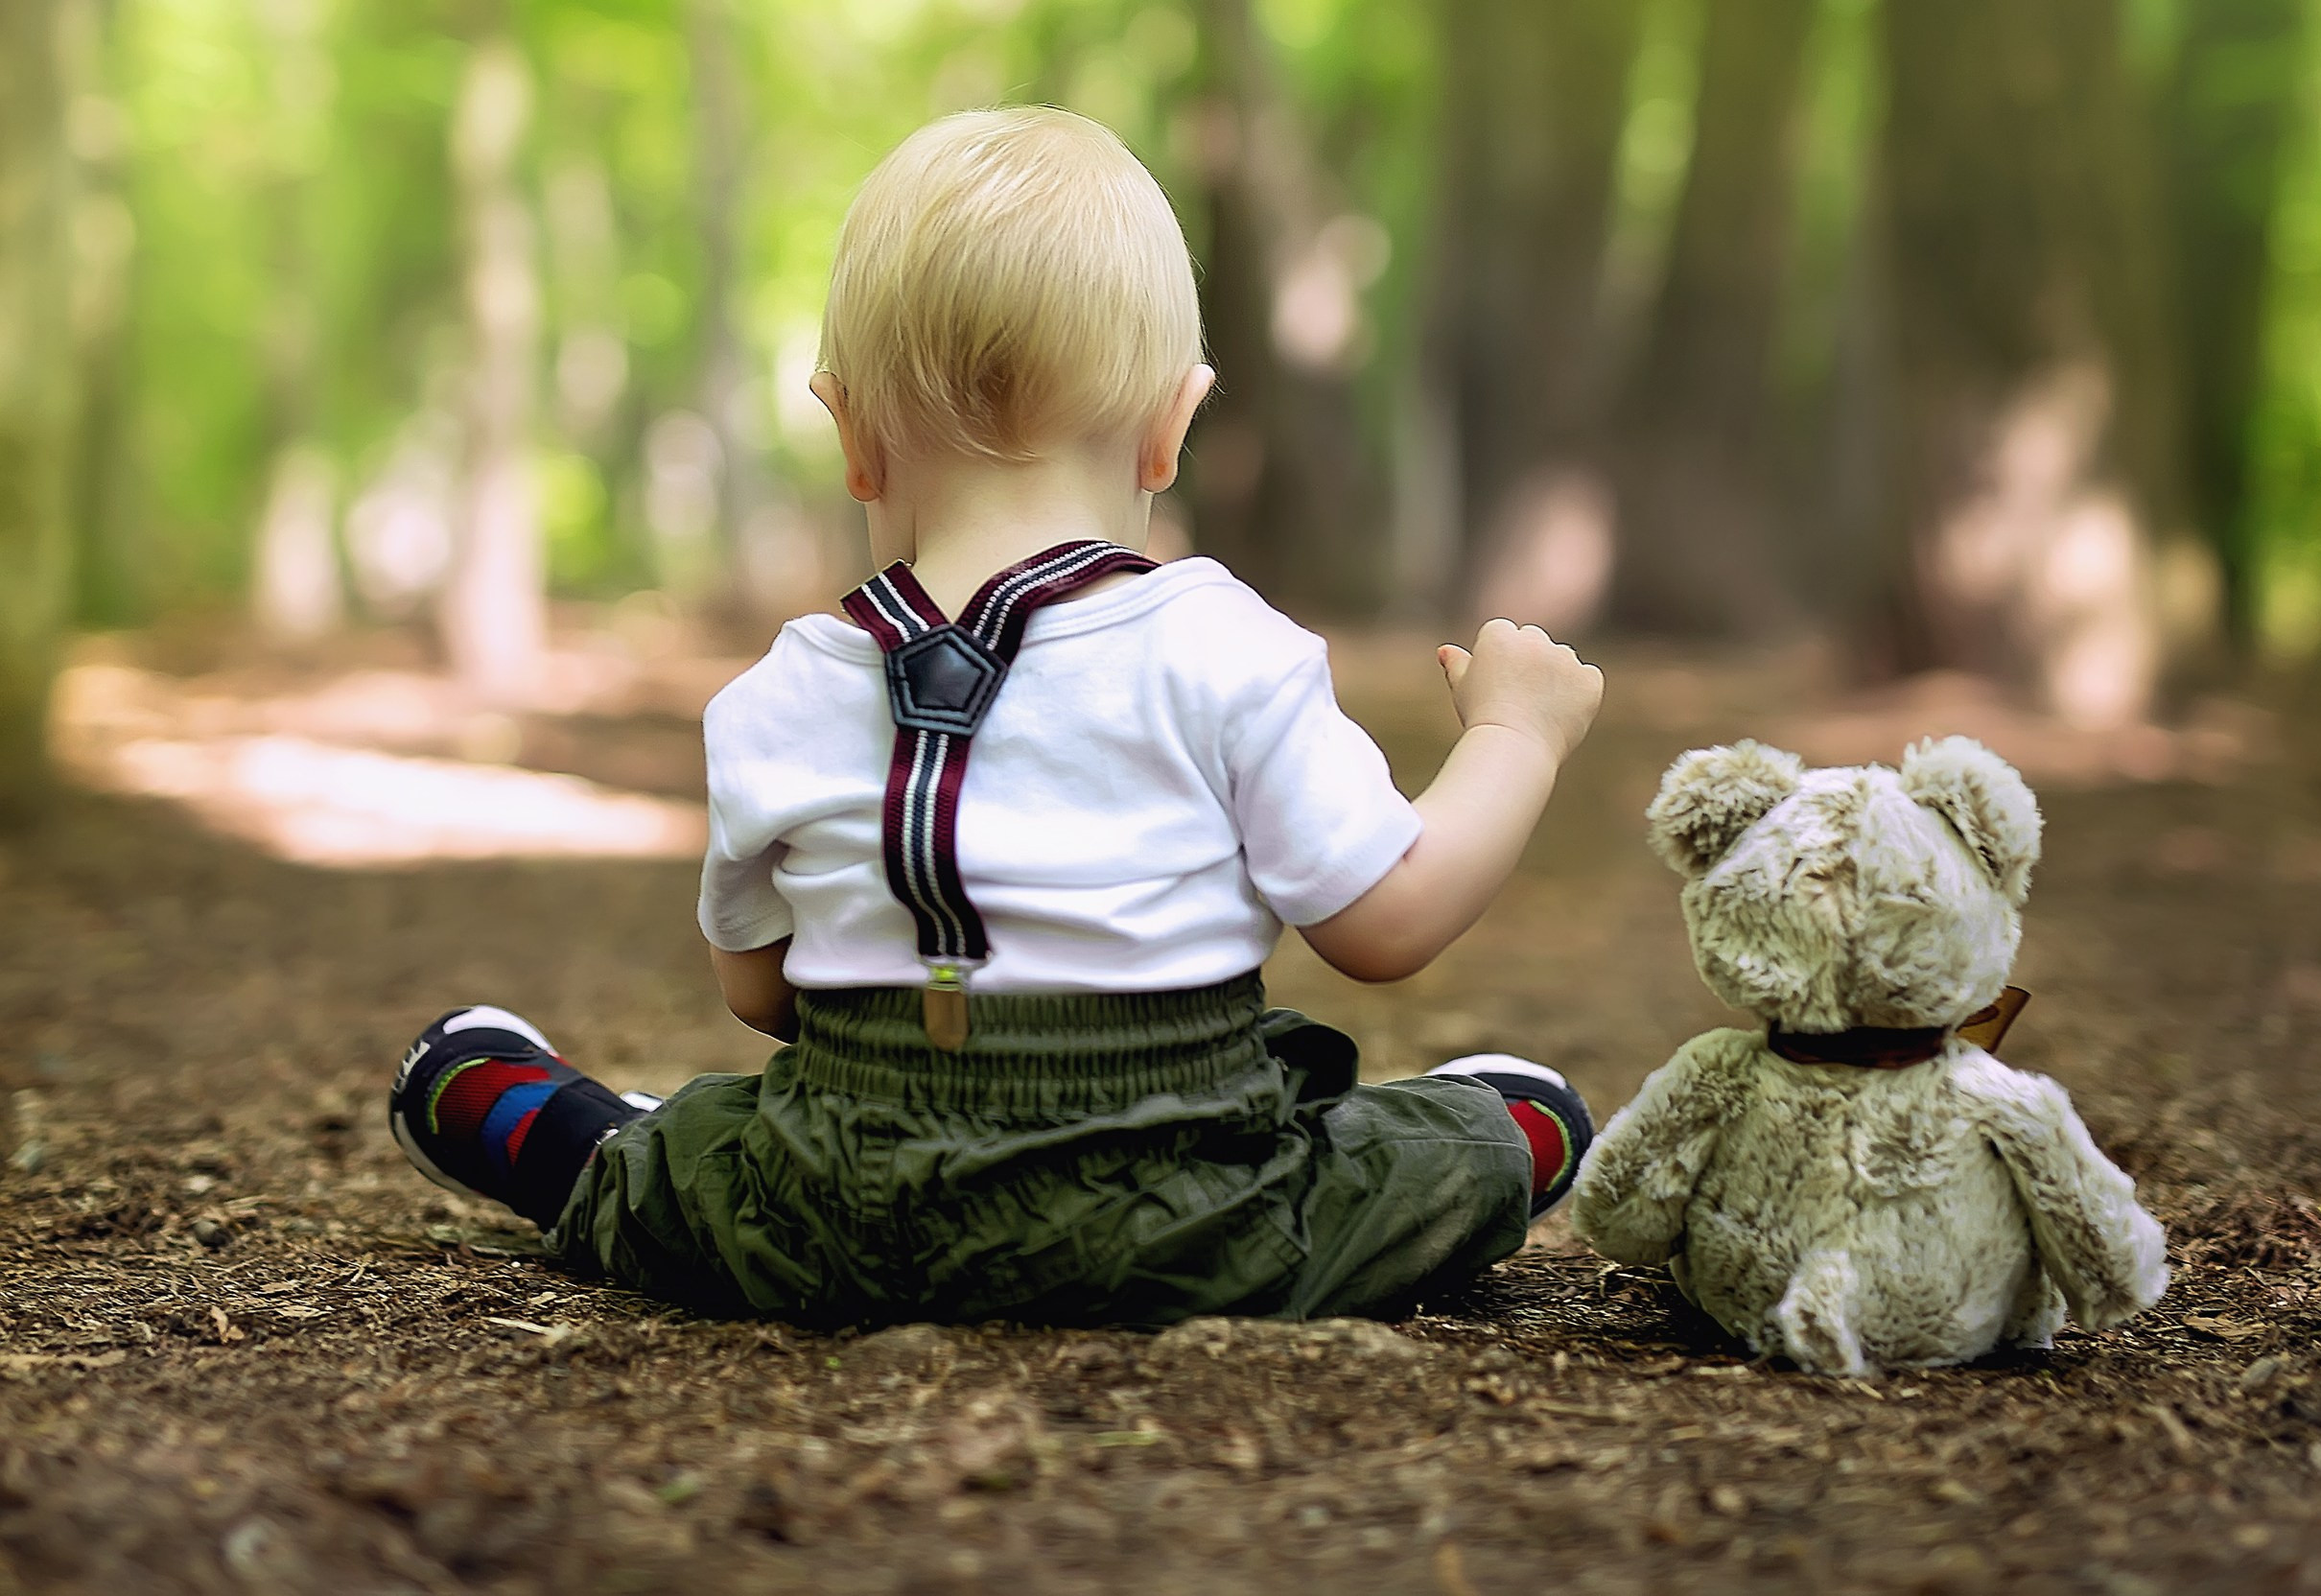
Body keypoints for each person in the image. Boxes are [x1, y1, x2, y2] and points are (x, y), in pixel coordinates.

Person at [389, 106, 1606, 1326]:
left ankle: (546, 1127)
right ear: (1173, 428)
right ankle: (1510, 1130)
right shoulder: (1223, 646)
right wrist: (1515, 737)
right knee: (1449, 1142)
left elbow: (761, 997)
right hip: (1194, 1222)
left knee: (697, 1162)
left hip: (839, 1220)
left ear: (849, 433)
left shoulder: (782, 691)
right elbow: (1388, 923)